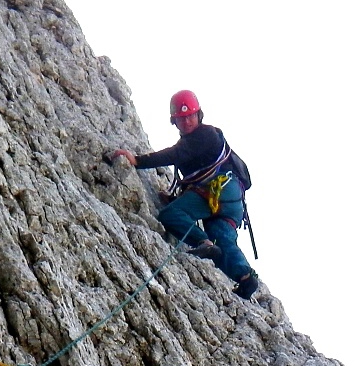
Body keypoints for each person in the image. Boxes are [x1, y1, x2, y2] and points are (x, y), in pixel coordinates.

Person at [111, 90, 260, 300]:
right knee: (222, 238)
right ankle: (245, 278)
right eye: (182, 118)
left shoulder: (206, 134)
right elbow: (191, 169)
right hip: (231, 202)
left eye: (190, 116)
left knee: (170, 215)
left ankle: (203, 242)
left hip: (219, 192)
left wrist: (138, 161)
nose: (188, 121)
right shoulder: (197, 142)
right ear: (175, 121)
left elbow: (175, 154)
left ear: (199, 115)